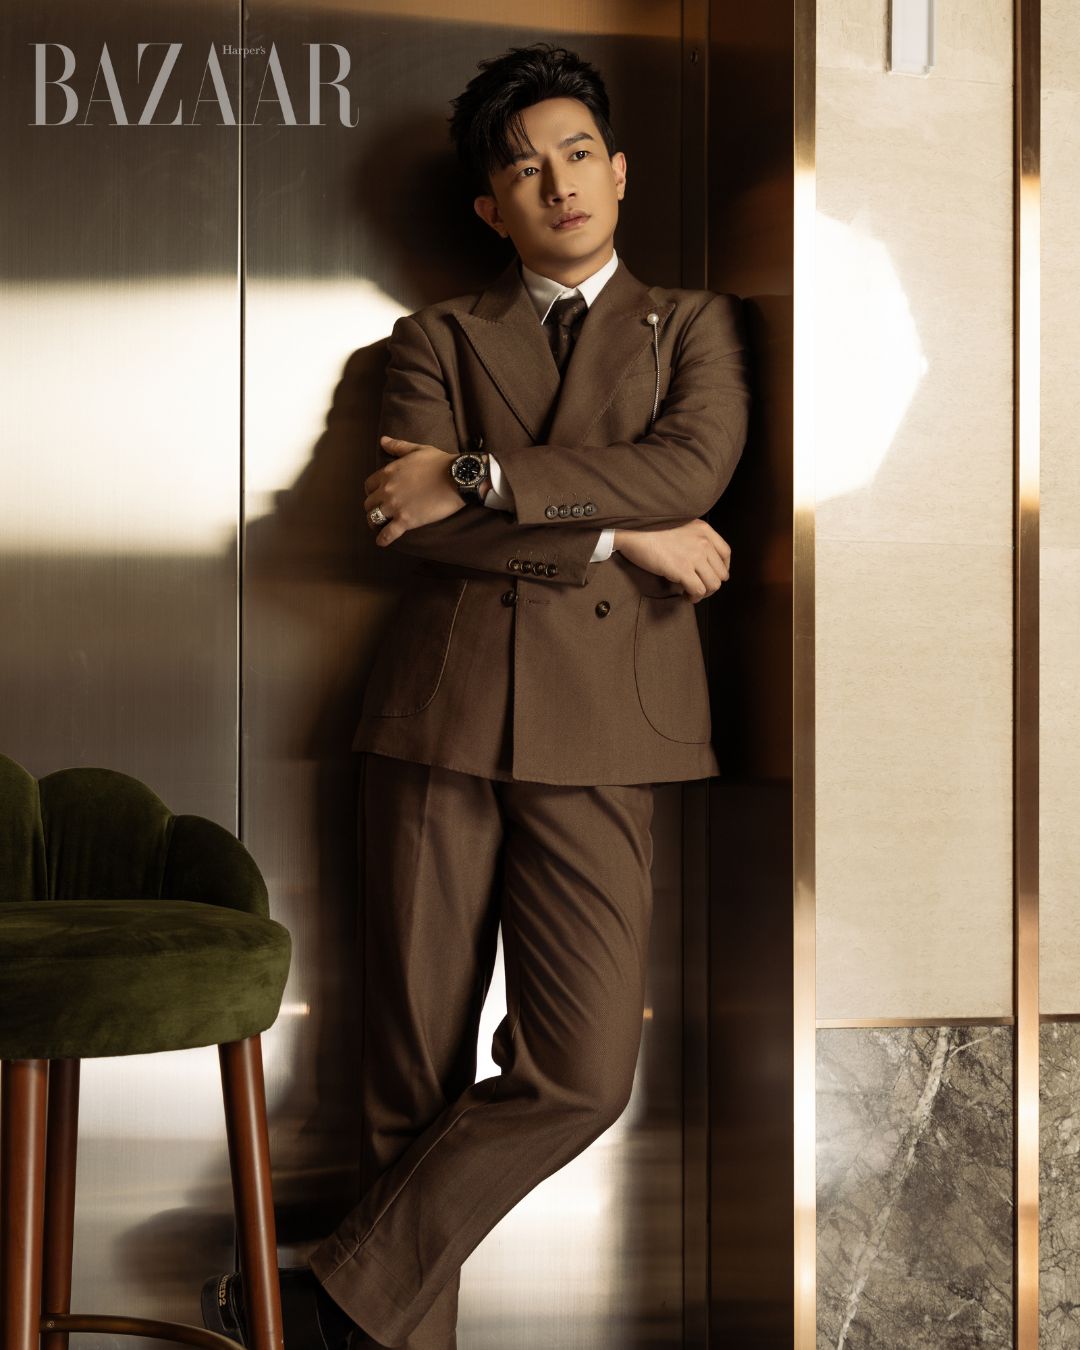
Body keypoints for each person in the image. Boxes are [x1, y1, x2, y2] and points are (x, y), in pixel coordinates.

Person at [204, 41, 749, 1350]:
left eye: (578, 153)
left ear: (619, 171)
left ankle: (327, 1294)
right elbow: (414, 524)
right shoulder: (434, 339)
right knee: (408, 1082)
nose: (558, 182)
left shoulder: (696, 326)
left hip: (609, 732)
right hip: (439, 723)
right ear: (489, 207)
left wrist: (484, 473)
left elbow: (691, 468)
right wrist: (620, 535)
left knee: (582, 1074)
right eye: (523, 167)